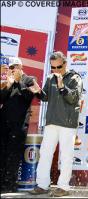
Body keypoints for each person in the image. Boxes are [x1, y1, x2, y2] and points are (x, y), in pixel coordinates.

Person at [28, 51, 83, 197]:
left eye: (59, 67)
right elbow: (45, 97)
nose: (56, 70)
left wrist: (62, 86)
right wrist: (37, 91)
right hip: (51, 122)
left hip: (67, 123)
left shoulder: (75, 77)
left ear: (65, 63)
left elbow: (73, 98)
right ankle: (42, 185)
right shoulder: (50, 77)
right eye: (53, 68)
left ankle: (63, 187)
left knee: (66, 155)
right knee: (45, 153)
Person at [0, 56, 39, 193]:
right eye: (11, 67)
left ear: (21, 67)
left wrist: (18, 82)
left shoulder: (29, 79)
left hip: (19, 124)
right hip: (4, 124)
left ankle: (10, 185)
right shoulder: (7, 81)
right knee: (2, 153)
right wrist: (9, 85)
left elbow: (30, 96)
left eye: (15, 67)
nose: (13, 70)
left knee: (13, 155)